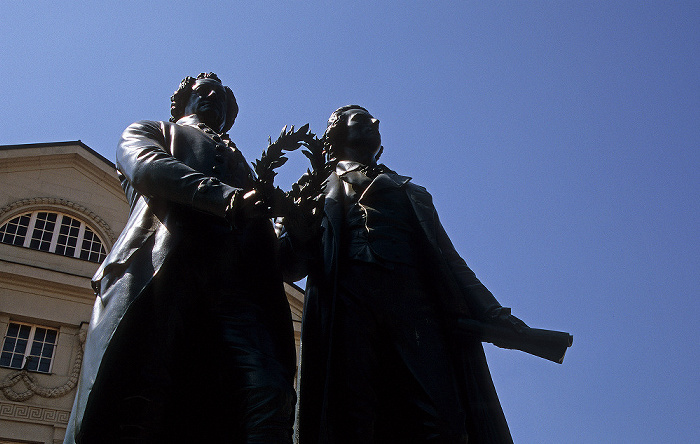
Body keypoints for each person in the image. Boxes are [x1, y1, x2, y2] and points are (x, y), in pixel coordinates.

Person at [64, 73, 297, 443]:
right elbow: (147, 167)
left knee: (270, 392)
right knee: (143, 392)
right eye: (201, 92)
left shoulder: (247, 172)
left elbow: (279, 258)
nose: (211, 98)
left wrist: (294, 223)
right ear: (180, 103)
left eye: (220, 97)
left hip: (242, 292)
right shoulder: (149, 130)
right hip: (164, 274)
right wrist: (228, 198)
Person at [281, 105, 527, 443]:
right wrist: (295, 232)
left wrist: (494, 313)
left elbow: (451, 262)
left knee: (445, 421)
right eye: (361, 119)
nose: (375, 122)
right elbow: (285, 265)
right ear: (336, 134)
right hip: (346, 307)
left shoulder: (411, 192)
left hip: (416, 309)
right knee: (352, 419)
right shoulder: (312, 188)